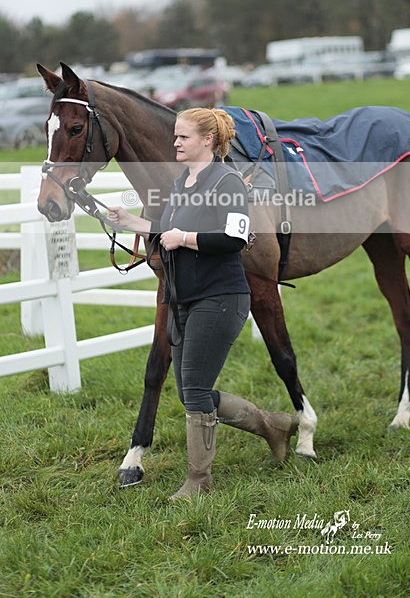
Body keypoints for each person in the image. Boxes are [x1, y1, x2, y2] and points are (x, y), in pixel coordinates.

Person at [107, 107, 298, 500]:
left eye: (183, 137)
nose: (174, 142)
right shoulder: (183, 181)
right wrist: (130, 222)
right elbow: (166, 228)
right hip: (184, 298)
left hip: (221, 297)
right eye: (175, 136)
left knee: (194, 389)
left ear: (207, 140)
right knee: (189, 391)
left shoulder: (226, 180)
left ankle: (199, 480)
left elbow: (236, 238)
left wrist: (186, 237)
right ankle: (272, 425)